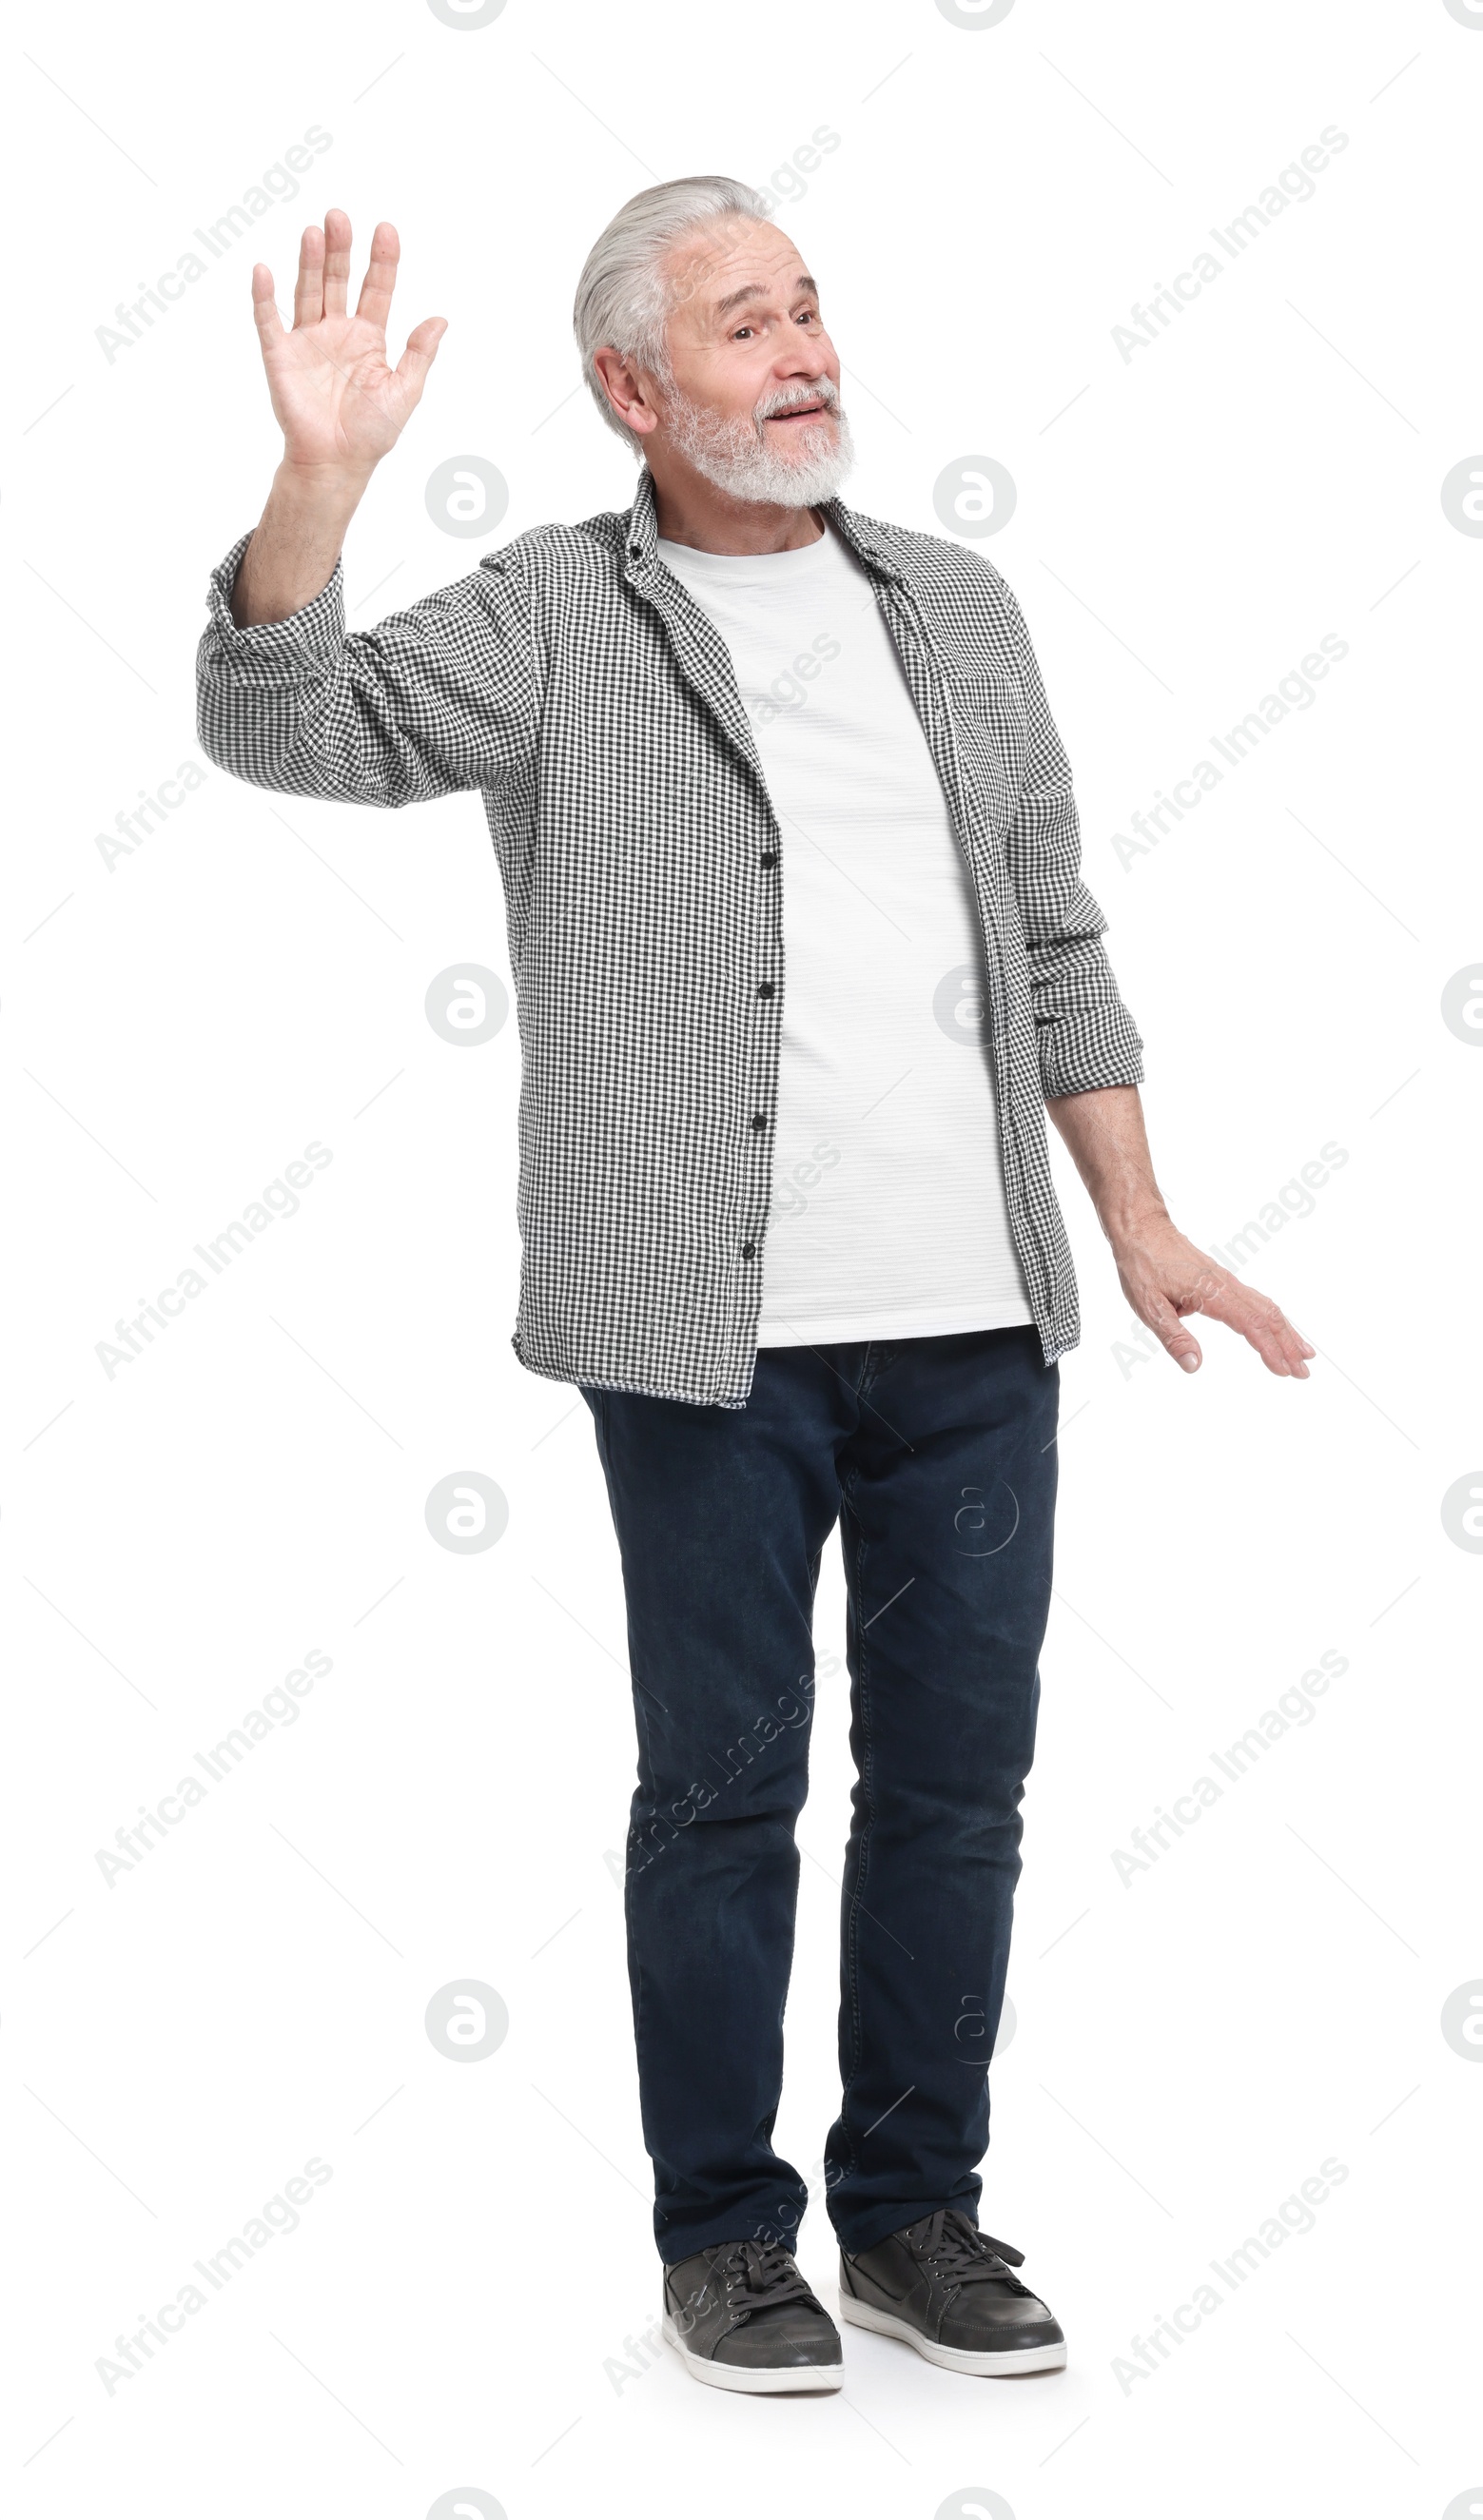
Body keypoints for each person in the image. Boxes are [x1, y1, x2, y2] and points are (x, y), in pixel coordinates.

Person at [196, 176, 1315, 2397]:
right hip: (699, 1342)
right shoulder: (545, 616)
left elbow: (1053, 936)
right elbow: (289, 723)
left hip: (974, 1331)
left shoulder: (959, 609)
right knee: (719, 1791)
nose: (799, 349)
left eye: (806, 307)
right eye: (738, 326)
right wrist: (313, 491)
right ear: (630, 388)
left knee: (955, 1790)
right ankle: (724, 2234)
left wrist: (1136, 1212)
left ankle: (912, 2210)